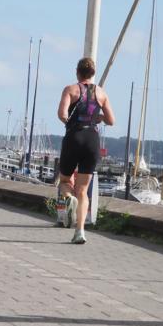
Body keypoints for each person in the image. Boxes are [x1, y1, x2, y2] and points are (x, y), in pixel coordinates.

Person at [56, 57, 115, 244]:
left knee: (65, 180)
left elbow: (62, 114)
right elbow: (111, 120)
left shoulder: (70, 90)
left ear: (77, 72)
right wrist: (96, 117)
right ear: (93, 73)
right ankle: (80, 231)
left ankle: (68, 198)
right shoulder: (101, 93)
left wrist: (71, 122)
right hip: (92, 140)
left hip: (74, 137)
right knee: (83, 190)